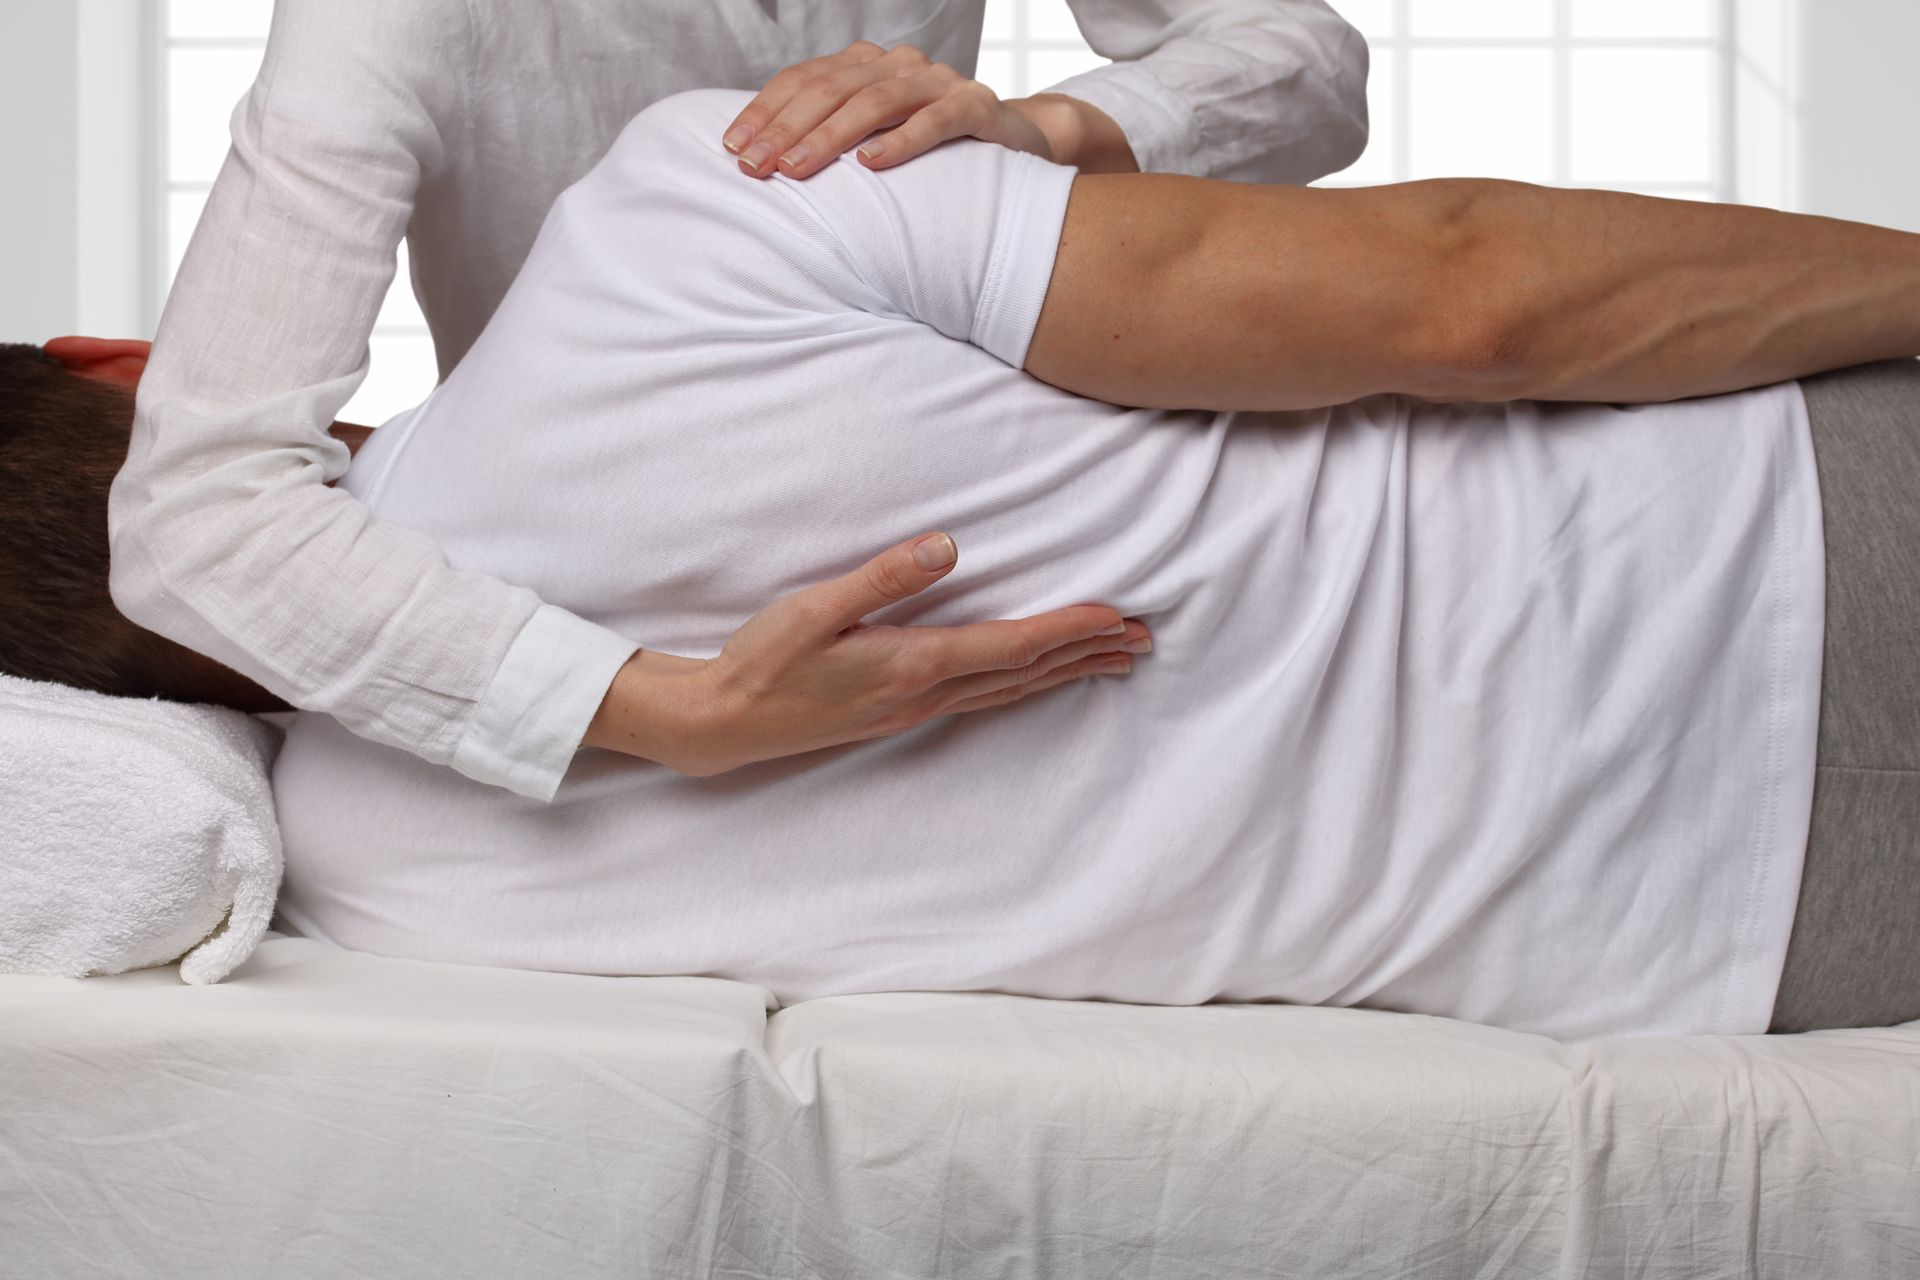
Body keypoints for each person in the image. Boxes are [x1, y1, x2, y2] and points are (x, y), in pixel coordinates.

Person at [9, 88, 1918, 1042]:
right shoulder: (687, 224)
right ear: (123, 370)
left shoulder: (384, 905)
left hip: (1759, 958)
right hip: (1792, 538)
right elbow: (1470, 302)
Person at [108, 0, 1370, 806]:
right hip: (629, 578)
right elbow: (197, 506)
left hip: (973, 494)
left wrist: (1044, 125)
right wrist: (667, 711)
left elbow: (1310, 62)